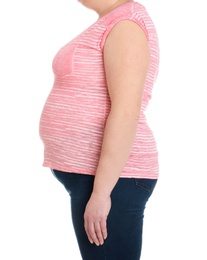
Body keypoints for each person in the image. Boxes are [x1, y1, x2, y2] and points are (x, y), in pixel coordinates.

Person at [39, 0, 160, 259]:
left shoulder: (126, 23)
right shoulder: (114, 20)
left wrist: (102, 193)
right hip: (99, 180)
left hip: (114, 180)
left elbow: (126, 111)